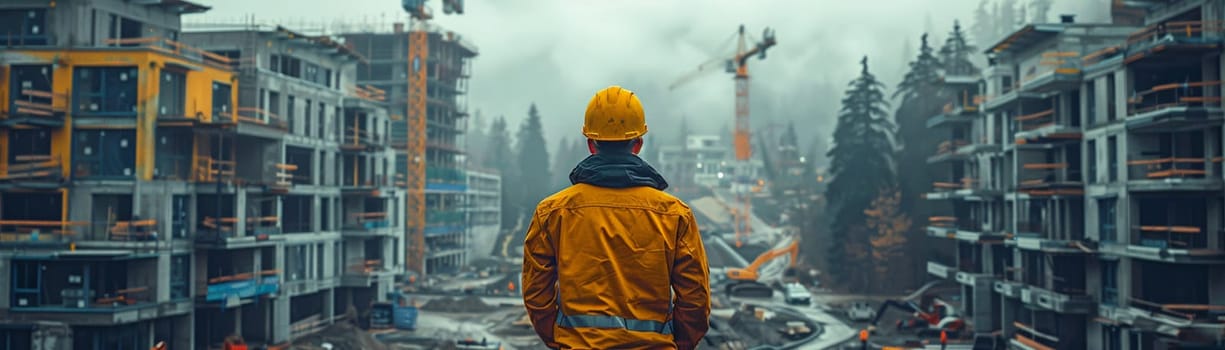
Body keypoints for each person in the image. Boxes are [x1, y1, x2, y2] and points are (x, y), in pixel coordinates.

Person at [522, 86, 711, 349]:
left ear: (590, 144)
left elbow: (536, 296)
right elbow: (696, 300)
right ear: (638, 144)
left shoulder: (553, 212)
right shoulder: (674, 215)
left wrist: (562, 341)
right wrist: (675, 343)